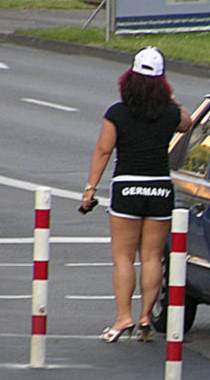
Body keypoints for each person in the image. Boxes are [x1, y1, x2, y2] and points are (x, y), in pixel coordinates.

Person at [80, 47, 192, 343]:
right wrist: (169, 97)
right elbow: (187, 122)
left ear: (130, 78)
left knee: (123, 257)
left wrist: (90, 189)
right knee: (153, 257)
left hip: (127, 188)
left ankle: (123, 318)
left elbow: (104, 151)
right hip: (159, 187)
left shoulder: (117, 113)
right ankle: (145, 317)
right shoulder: (169, 113)